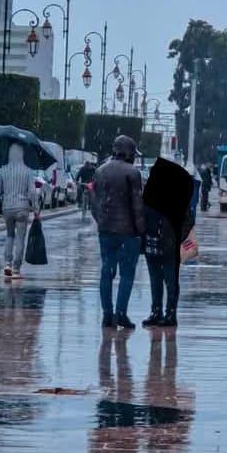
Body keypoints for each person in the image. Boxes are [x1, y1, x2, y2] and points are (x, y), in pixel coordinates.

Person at [92, 135, 145, 329]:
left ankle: (107, 314)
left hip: (105, 230)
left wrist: (102, 221)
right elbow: (137, 206)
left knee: (107, 271)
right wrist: (141, 231)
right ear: (129, 153)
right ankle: (121, 313)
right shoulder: (133, 173)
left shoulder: (100, 171)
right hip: (128, 232)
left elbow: (94, 203)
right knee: (127, 274)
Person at [142, 201, 194, 328]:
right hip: (151, 243)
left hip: (169, 246)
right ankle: (156, 311)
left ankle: (170, 313)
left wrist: (177, 237)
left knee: (171, 280)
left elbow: (188, 220)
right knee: (155, 280)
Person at [0, 143, 38, 278]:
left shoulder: (3, 170)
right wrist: (36, 208)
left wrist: (4, 190)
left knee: (10, 235)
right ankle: (16, 268)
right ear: (22, 154)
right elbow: (32, 192)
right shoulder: (27, 171)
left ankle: (7, 263)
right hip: (22, 208)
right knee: (20, 238)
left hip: (7, 208)